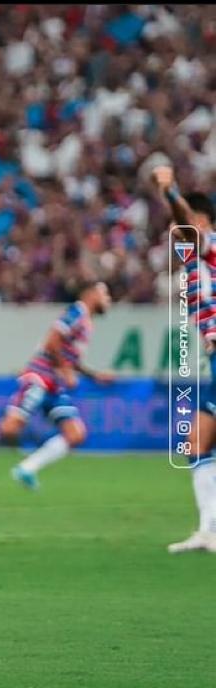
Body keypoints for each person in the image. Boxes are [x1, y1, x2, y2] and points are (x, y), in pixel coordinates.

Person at [0, 282, 115, 490]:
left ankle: (26, 469)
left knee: (75, 434)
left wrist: (93, 375)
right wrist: (65, 369)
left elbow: (69, 358)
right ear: (91, 293)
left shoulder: (86, 322)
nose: (108, 300)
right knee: (11, 426)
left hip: (55, 385)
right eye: (105, 294)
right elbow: (53, 339)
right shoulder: (77, 311)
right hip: (40, 377)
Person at [152, 165, 216, 553]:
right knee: (196, 441)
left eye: (187, 221)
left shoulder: (208, 241)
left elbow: (185, 224)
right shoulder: (194, 262)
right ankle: (209, 529)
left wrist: (170, 191)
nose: (177, 230)